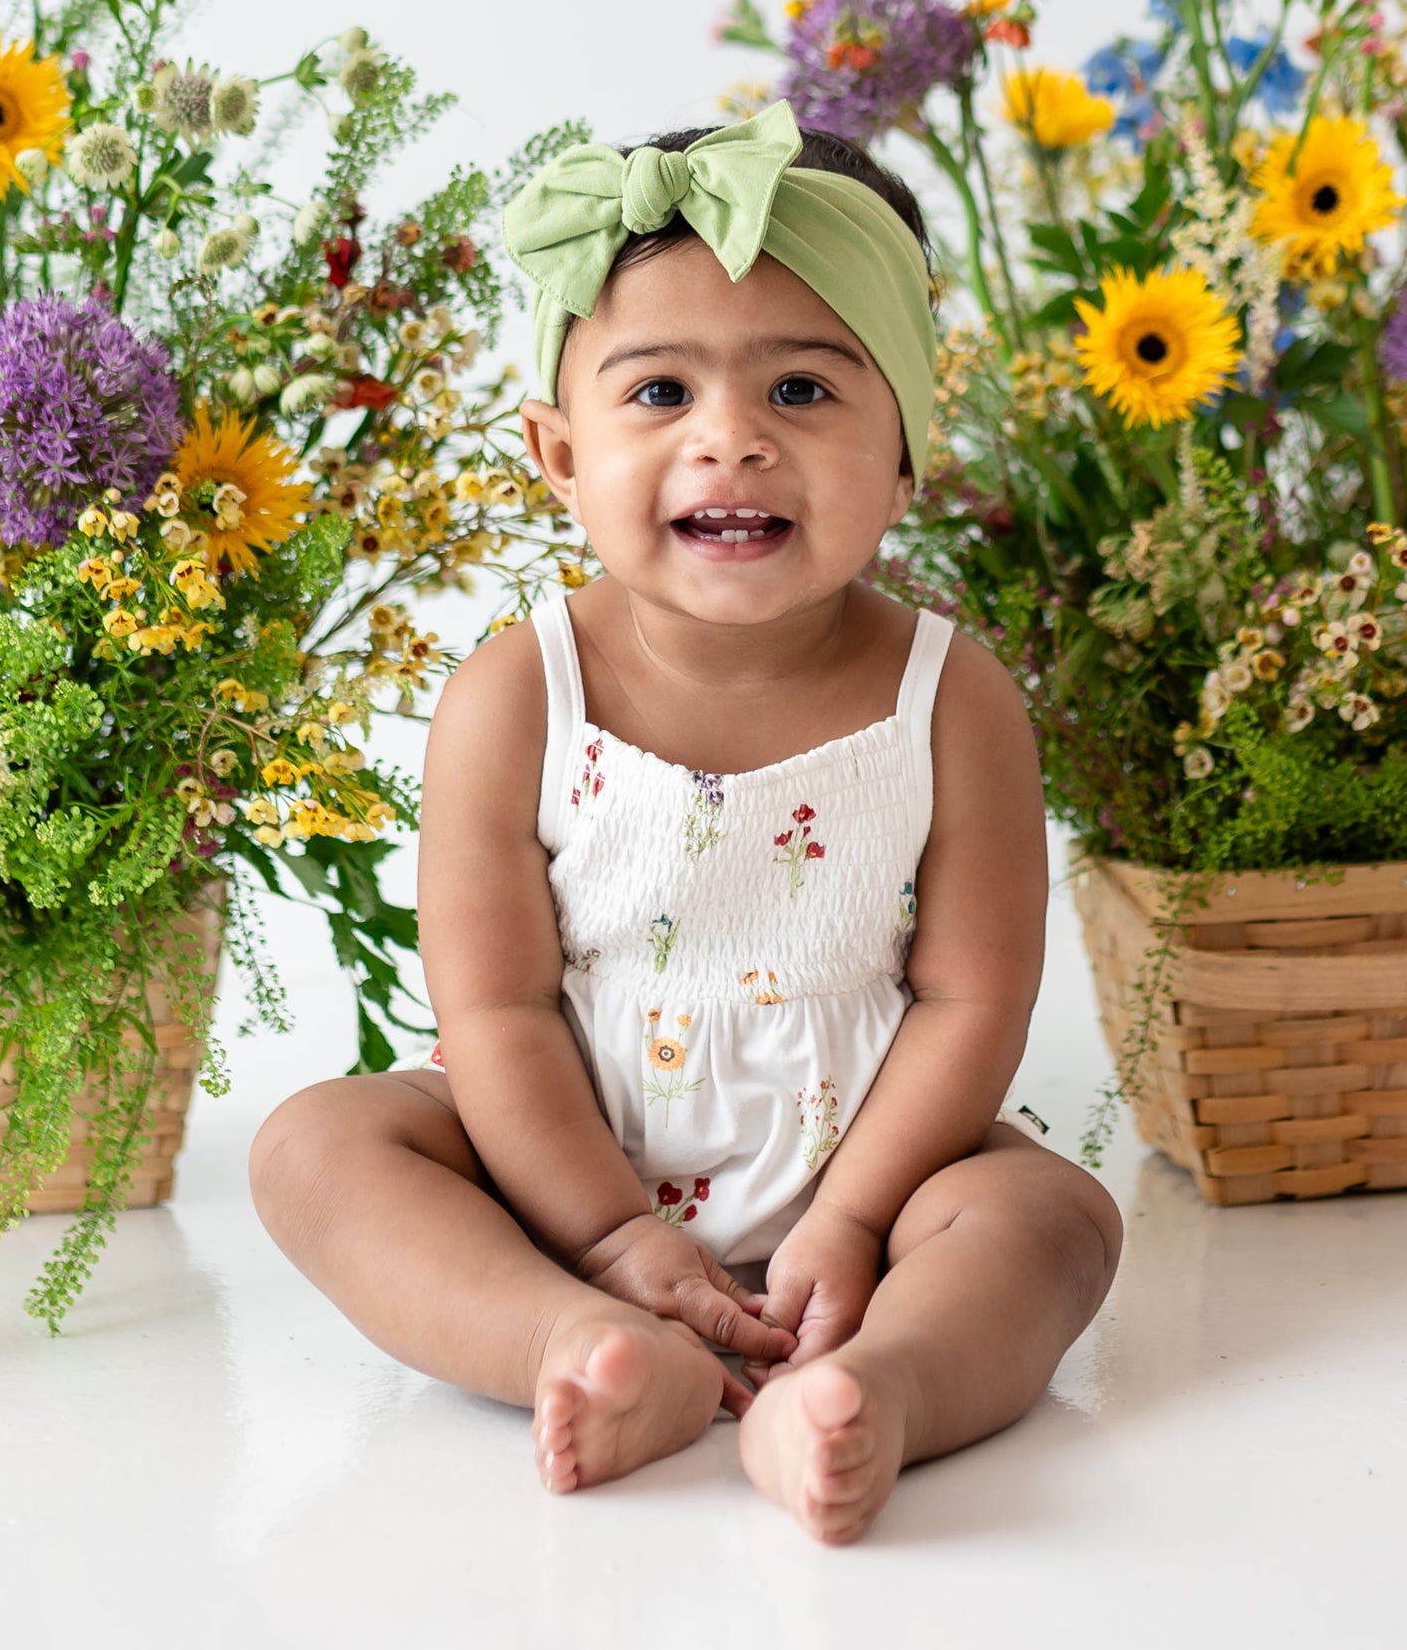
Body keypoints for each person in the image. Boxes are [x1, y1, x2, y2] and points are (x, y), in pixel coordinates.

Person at [250, 104, 1121, 1543]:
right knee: (318, 1145)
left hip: (876, 1166)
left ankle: (875, 1393)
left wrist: (852, 1215)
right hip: (564, 1158)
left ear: (906, 450)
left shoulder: (950, 697)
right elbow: (500, 1009)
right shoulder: (518, 695)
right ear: (554, 451)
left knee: (1057, 1222)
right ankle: (577, 1343)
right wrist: (604, 1235)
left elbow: (974, 999)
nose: (734, 443)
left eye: (803, 391)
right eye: (659, 394)